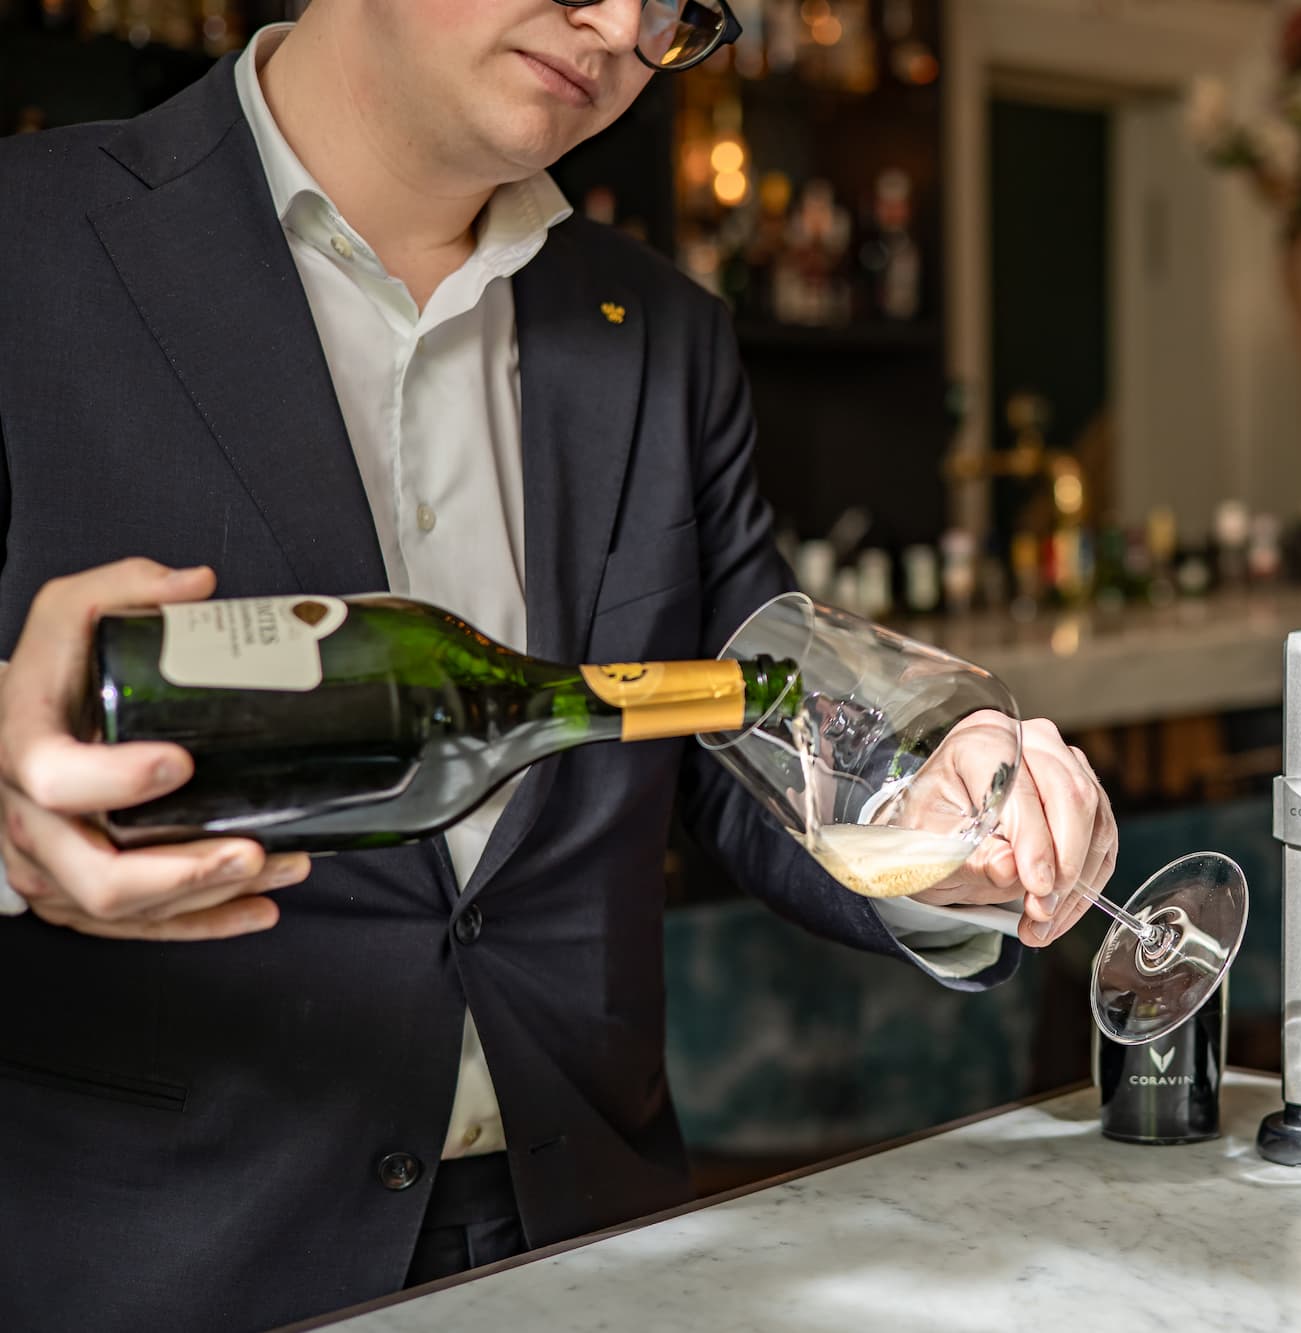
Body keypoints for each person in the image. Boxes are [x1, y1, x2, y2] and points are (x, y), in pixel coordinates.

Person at [0, 3, 1117, 1329]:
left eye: (681, 9)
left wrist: (940, 827)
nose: (624, 27)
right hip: (172, 1264)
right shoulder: (31, 244)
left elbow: (749, 727)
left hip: (592, 1243)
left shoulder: (660, 330)